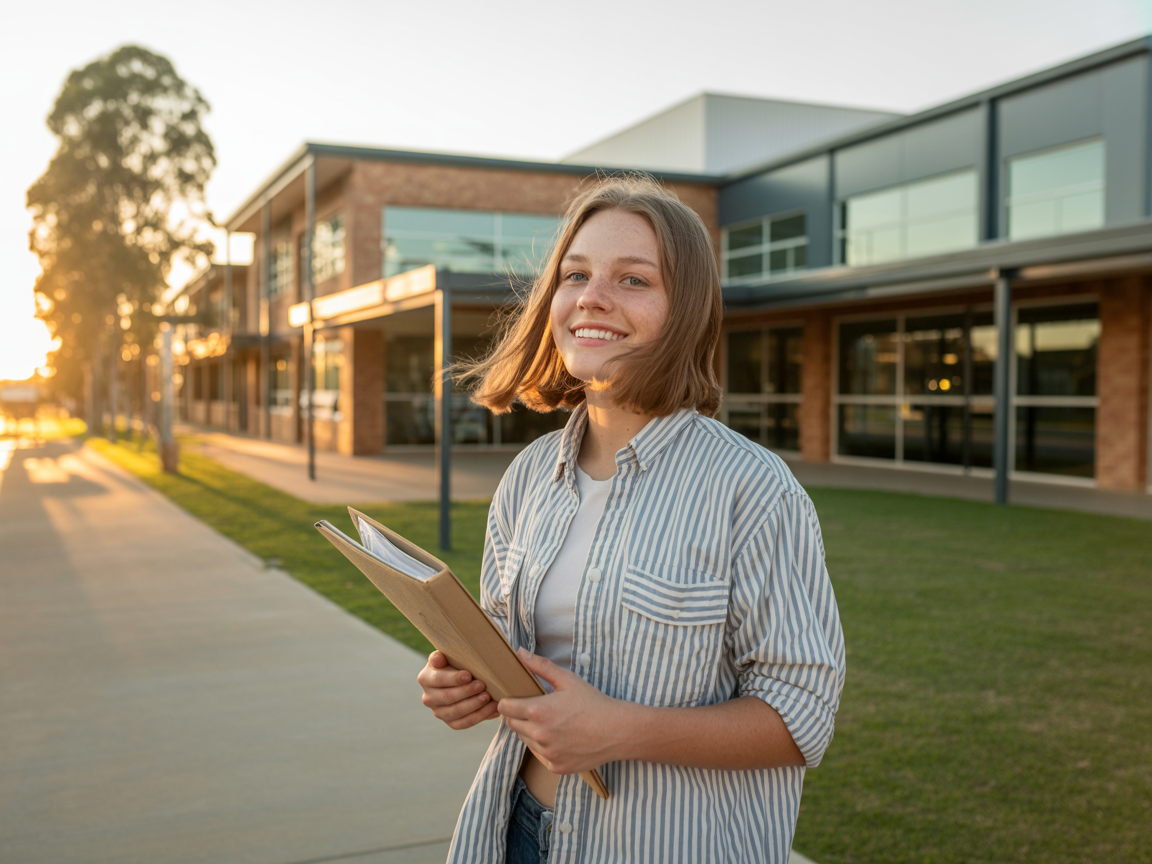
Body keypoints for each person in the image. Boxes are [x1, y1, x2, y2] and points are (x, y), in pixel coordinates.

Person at [417, 175, 845, 864]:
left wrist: (624, 731)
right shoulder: (528, 476)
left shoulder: (753, 489)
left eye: (633, 280)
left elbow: (801, 718)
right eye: (576, 273)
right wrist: (463, 680)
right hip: (515, 831)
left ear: (685, 311)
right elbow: (513, 650)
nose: (591, 297)